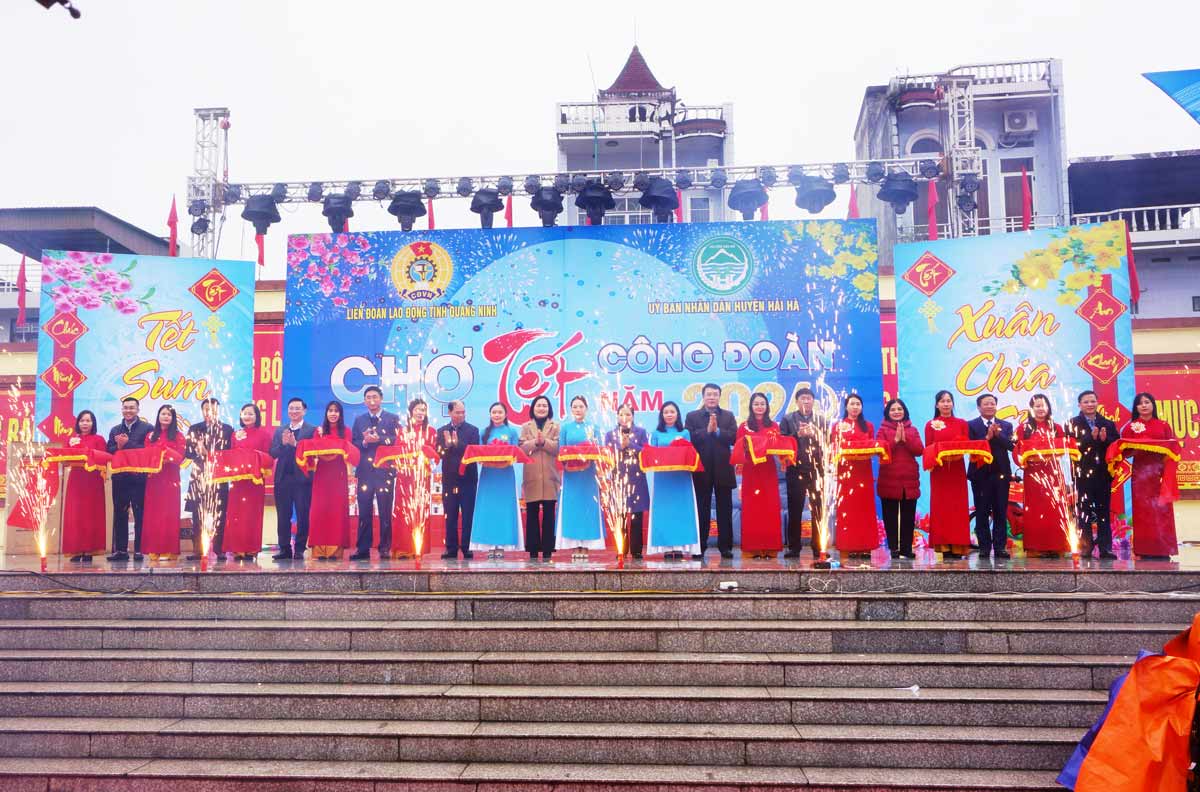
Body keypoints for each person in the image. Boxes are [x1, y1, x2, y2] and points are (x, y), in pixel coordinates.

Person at [1013, 393, 1072, 556]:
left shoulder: (1056, 427)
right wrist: (1025, 461)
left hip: (1053, 472)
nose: (1040, 409)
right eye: (1037, 406)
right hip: (1033, 474)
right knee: (1034, 510)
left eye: (1043, 405)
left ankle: (1057, 547)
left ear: (1048, 407)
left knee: (1055, 508)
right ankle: (1035, 548)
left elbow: (1064, 448)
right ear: (1031, 409)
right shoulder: (1023, 428)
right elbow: (1017, 450)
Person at [1121, 392, 1178, 560]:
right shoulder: (1131, 427)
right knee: (1142, 512)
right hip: (1141, 475)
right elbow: (1124, 451)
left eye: (1147, 402)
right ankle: (1144, 550)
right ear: (1136, 407)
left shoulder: (1163, 425)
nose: (1144, 405)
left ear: (1153, 405)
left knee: (1162, 511)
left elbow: (1173, 449)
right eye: (1140, 403)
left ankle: (1163, 549)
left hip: (1159, 474)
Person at [300, 401, 360, 560]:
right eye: (330, 411)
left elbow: (349, 452)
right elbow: (313, 452)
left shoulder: (346, 432)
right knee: (319, 510)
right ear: (326, 413)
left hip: (338, 474)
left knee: (336, 511)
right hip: (321, 474)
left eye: (336, 411)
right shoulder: (318, 432)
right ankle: (319, 550)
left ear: (340, 414)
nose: (333, 413)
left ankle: (335, 550)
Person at [684, 384, 737, 559]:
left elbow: (734, 437)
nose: (712, 397)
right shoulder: (692, 417)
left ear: (720, 396)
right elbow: (689, 438)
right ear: (703, 397)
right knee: (701, 509)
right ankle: (700, 546)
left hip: (723, 469)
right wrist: (706, 431)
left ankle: (725, 547)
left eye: (715, 394)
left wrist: (718, 431)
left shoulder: (728, 416)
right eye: (709, 394)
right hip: (701, 469)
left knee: (725, 510)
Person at [384, 398, 440, 558]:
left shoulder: (431, 432)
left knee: (419, 512)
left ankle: (418, 549)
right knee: (403, 511)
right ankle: (402, 548)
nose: (421, 412)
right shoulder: (402, 431)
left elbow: (435, 456)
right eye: (418, 409)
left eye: (423, 409)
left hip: (422, 478)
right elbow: (397, 453)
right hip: (405, 478)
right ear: (411, 412)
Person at [645, 402, 701, 560]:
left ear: (677, 414)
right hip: (663, 480)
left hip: (681, 478)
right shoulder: (655, 434)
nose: (669, 415)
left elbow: (690, 452)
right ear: (661, 415)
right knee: (665, 512)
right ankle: (667, 548)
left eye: (672, 412)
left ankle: (681, 547)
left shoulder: (685, 432)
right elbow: (651, 454)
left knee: (681, 512)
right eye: (666, 412)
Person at [350, 385, 399, 561]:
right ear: (364, 401)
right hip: (365, 472)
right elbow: (353, 442)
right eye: (368, 397)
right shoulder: (359, 420)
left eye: (375, 397)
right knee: (364, 511)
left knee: (385, 510)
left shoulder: (392, 418)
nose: (372, 400)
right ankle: (362, 548)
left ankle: (385, 547)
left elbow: (397, 440)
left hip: (385, 471)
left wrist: (380, 439)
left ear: (381, 399)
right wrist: (364, 441)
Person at [734, 392, 785, 559]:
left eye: (762, 403)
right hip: (751, 471)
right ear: (751, 406)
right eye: (756, 404)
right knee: (752, 509)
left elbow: (778, 446)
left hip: (769, 471)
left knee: (769, 508)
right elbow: (739, 448)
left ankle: (770, 548)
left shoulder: (774, 426)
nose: (759, 407)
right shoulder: (743, 426)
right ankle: (752, 548)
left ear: (767, 406)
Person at [1069, 390, 1119, 559]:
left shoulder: (1108, 423)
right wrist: (1091, 438)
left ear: (1097, 403)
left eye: (1092, 401)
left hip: (1102, 474)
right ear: (1079, 405)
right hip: (1082, 474)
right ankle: (1086, 547)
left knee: (1103, 512)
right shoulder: (1072, 424)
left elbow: (1117, 445)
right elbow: (1072, 447)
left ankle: (1106, 548)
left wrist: (1105, 440)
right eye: (1086, 402)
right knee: (1084, 512)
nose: (1090, 404)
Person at [184, 397, 234, 561]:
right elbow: (188, 454)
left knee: (219, 514)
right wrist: (198, 451)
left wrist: (209, 454)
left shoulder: (227, 429)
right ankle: (198, 551)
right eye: (206, 409)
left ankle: (219, 550)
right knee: (197, 516)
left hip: (218, 478)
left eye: (212, 409)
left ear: (218, 410)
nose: (209, 412)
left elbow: (229, 454)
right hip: (199, 477)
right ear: (202, 410)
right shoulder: (194, 428)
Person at [222, 403, 273, 562]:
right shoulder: (235, 434)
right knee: (236, 514)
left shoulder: (264, 435)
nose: (247, 416)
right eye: (245, 413)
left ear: (257, 416)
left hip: (255, 482)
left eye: (251, 413)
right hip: (238, 482)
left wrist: (255, 458)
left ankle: (251, 549)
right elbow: (231, 455)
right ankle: (237, 549)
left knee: (252, 514)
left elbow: (268, 458)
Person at [925, 390, 972, 559]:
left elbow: (966, 444)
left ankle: (959, 547)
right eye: (942, 401)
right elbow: (928, 448)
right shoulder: (931, 424)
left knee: (958, 508)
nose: (946, 404)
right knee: (942, 507)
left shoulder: (962, 423)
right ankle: (944, 546)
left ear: (953, 403)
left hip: (957, 470)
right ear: (937, 405)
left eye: (949, 400)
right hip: (939, 471)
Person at [471, 402, 522, 558]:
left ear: (505, 415)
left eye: (500, 412)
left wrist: (504, 461)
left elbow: (515, 454)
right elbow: (478, 455)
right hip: (488, 476)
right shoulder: (483, 432)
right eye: (494, 412)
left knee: (504, 509)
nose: (497, 415)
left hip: (505, 476)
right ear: (490, 414)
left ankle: (502, 546)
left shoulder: (512, 432)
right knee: (488, 509)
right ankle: (489, 545)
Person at [557, 396, 605, 560]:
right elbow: (560, 451)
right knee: (573, 509)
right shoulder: (565, 428)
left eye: (581, 407)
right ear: (571, 409)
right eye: (575, 407)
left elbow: (599, 450)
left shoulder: (594, 427)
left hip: (588, 476)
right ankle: (575, 545)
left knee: (587, 509)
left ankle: (586, 546)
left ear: (586, 409)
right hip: (571, 476)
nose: (578, 410)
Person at [779, 387, 825, 559]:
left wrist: (816, 434)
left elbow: (828, 442)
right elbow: (782, 442)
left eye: (809, 398)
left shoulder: (821, 419)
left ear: (813, 401)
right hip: (795, 469)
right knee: (795, 509)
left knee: (818, 510)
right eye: (803, 398)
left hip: (817, 470)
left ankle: (818, 547)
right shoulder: (788, 419)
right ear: (796, 402)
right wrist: (798, 434)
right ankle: (794, 547)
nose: (806, 401)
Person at [967, 393, 1015, 560]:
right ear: (979, 407)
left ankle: (1000, 547)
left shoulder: (1006, 425)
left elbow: (1011, 446)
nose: (989, 406)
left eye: (992, 403)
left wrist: (998, 435)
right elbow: (971, 447)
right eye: (986, 404)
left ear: (996, 406)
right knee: (982, 511)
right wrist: (987, 437)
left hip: (1001, 474)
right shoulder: (971, 425)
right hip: (980, 475)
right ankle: (984, 547)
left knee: (1000, 511)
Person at [831, 393, 878, 558]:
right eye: (852, 404)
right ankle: (848, 546)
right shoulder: (838, 426)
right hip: (846, 474)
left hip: (864, 472)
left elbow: (872, 446)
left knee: (864, 509)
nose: (855, 407)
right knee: (848, 510)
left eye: (858, 404)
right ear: (846, 406)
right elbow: (833, 449)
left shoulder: (868, 426)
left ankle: (866, 546)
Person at [106, 397, 151, 562]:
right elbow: (109, 450)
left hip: (139, 477)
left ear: (138, 410)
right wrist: (117, 447)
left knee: (140, 513)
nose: (128, 411)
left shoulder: (147, 428)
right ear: (121, 410)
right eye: (125, 408)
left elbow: (147, 449)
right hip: (120, 477)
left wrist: (127, 443)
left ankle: (139, 549)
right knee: (120, 513)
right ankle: (121, 550)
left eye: (132, 408)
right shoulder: (115, 429)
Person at [59, 410, 108, 563]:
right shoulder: (72, 439)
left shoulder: (99, 439)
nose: (85, 423)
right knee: (75, 514)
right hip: (76, 480)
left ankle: (89, 550)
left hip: (93, 480)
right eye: (82, 420)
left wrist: (90, 456)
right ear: (77, 423)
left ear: (93, 423)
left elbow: (103, 458)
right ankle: (75, 549)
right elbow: (65, 458)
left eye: (88, 420)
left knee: (91, 514)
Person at [270, 398, 316, 561]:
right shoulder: (280, 430)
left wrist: (296, 444)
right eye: (291, 408)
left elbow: (313, 453)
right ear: (287, 411)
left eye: (298, 408)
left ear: (304, 411)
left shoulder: (311, 430)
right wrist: (283, 444)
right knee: (283, 515)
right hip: (283, 479)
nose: (294, 411)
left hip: (302, 479)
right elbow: (273, 453)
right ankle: (284, 548)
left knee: (303, 514)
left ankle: (300, 549)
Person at [877, 399, 922, 559]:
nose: (896, 412)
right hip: (889, 478)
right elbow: (880, 450)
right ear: (888, 413)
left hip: (909, 480)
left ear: (905, 411)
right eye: (893, 409)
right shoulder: (882, 430)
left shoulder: (913, 430)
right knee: (890, 516)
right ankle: (894, 548)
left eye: (900, 409)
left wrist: (906, 439)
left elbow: (919, 450)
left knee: (908, 516)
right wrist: (895, 441)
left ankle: (906, 548)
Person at [604, 404, 649, 559]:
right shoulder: (610, 435)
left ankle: (636, 551)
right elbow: (607, 454)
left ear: (633, 416)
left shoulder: (641, 432)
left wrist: (630, 445)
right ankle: (621, 550)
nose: (625, 417)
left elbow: (645, 452)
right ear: (617, 416)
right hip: (618, 480)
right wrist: (620, 447)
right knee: (620, 518)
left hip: (637, 479)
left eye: (628, 414)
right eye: (621, 414)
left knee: (636, 518)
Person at [141, 405, 186, 558]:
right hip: (154, 478)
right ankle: (154, 549)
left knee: (170, 512)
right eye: (163, 414)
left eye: (169, 414)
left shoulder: (179, 436)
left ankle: (170, 549)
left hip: (171, 479)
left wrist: (164, 453)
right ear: (158, 416)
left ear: (173, 418)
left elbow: (180, 457)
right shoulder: (150, 436)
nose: (166, 417)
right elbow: (146, 455)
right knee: (153, 513)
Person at [436, 400, 479, 560]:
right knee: (450, 514)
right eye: (457, 412)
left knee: (468, 515)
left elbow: (473, 451)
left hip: (468, 480)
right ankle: (451, 548)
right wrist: (446, 445)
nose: (461, 415)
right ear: (450, 413)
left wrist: (457, 444)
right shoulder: (442, 431)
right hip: (449, 480)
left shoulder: (473, 430)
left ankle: (467, 547)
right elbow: (438, 453)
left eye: (463, 412)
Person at [518, 395, 560, 561]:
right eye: (538, 405)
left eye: (544, 405)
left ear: (549, 409)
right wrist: (536, 442)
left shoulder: (556, 427)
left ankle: (549, 549)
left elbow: (558, 448)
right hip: (532, 475)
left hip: (550, 475)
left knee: (550, 514)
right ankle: (533, 550)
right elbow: (521, 449)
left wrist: (545, 443)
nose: (541, 408)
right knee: (532, 514)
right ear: (533, 408)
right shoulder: (525, 427)